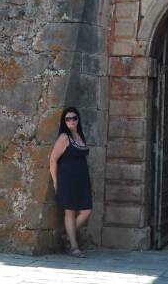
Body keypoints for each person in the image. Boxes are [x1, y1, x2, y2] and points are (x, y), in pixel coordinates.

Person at [49, 106, 93, 257]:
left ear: (78, 119)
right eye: (68, 119)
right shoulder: (64, 138)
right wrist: (56, 182)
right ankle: (74, 247)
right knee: (70, 211)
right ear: (64, 121)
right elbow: (53, 160)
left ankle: (67, 236)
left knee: (86, 211)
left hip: (82, 180)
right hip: (67, 179)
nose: (71, 121)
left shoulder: (79, 135)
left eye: (74, 118)